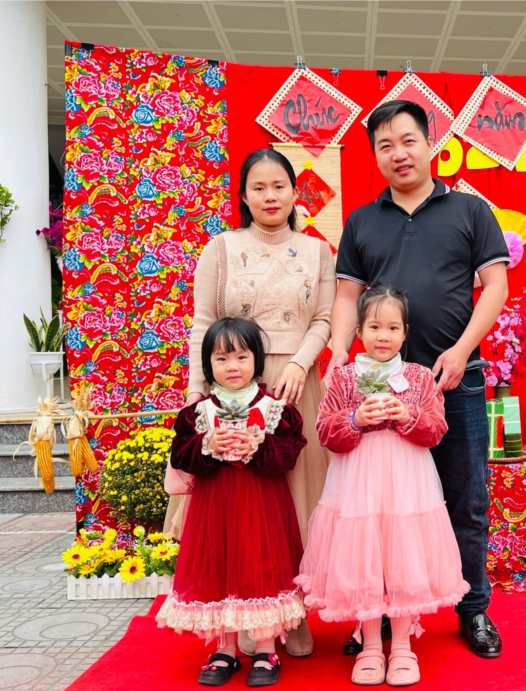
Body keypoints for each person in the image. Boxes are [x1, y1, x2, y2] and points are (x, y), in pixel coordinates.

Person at [329, 100, 510, 659]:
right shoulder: (362, 221)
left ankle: (473, 609)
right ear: (375, 156)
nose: (399, 154)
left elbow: (496, 287)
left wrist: (461, 350)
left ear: (431, 143)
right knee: (383, 508)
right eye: (385, 146)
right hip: (379, 387)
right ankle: (381, 615)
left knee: (466, 499)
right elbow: (346, 296)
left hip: (455, 380)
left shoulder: (470, 210)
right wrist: (338, 352)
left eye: (408, 140)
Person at [175, 148, 335, 656]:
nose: (270, 196)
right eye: (258, 188)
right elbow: (203, 324)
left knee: (297, 499)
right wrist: (196, 392)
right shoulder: (220, 249)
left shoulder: (317, 251)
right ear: (243, 196)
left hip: (294, 386)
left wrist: (299, 364)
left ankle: (293, 612)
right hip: (231, 385)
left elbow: (324, 319)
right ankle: (246, 607)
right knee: (241, 505)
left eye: (279, 186)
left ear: (295, 192)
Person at [297, 287, 468, 686]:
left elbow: (436, 429)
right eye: (374, 326)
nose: (383, 336)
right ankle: (371, 645)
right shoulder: (343, 379)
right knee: (364, 557)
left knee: (403, 555)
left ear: (405, 333)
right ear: (358, 330)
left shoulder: (420, 377)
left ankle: (403, 646)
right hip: (356, 483)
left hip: (407, 482)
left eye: (393, 328)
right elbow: (325, 431)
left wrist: (408, 415)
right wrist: (355, 419)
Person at [156, 317, 307, 688]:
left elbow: (289, 454)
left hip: (263, 507)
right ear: (208, 364)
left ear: (257, 359)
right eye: (221, 359)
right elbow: (181, 456)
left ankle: (265, 648)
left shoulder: (276, 409)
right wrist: (207, 445)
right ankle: (224, 650)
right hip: (214, 509)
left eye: (241, 356)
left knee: (262, 568)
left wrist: (259, 445)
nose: (232, 366)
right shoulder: (197, 413)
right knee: (217, 568)